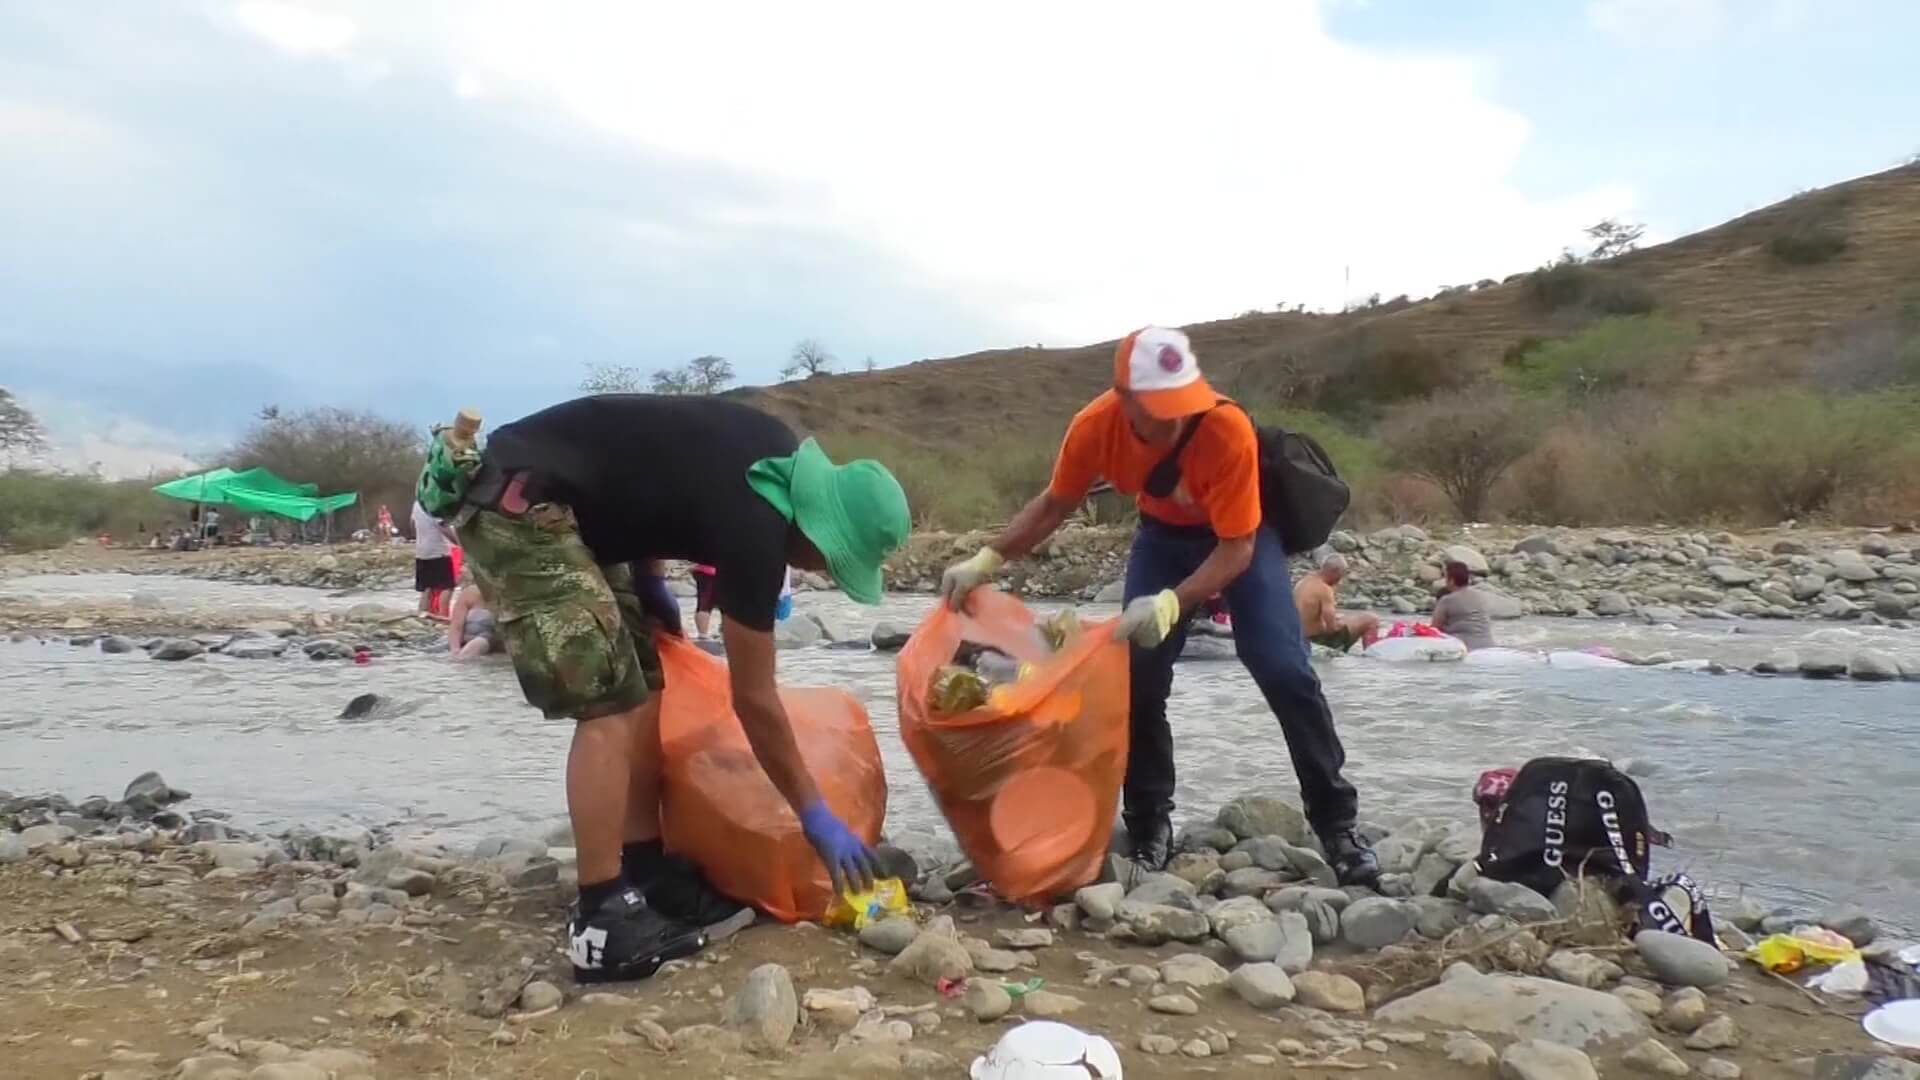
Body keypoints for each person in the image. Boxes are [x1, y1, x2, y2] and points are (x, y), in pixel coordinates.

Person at [417, 394, 911, 984]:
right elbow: (754, 699)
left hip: (574, 513)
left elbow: (649, 471)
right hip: (520, 505)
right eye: (832, 560)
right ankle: (601, 918)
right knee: (605, 697)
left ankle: (645, 868)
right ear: (821, 528)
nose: (821, 570)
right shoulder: (760, 521)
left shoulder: (778, 458)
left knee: (646, 680)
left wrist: (649, 578)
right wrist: (815, 815)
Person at [939, 326, 1379, 885]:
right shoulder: (1094, 428)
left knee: (1284, 668)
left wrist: (1175, 602)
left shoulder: (1225, 428)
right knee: (1138, 679)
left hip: (1238, 539)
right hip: (1162, 538)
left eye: (1182, 406)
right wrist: (987, 559)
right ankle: (1148, 824)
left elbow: (1238, 546)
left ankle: (1337, 824)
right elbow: (1055, 504)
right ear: (1125, 400)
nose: (1174, 420)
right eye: (1160, 409)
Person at [1293, 553, 1380, 654]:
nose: (1339, 580)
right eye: (1341, 575)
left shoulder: (1303, 582)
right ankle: (1372, 656)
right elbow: (1332, 629)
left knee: (1345, 619)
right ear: (1335, 571)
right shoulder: (1324, 589)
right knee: (1371, 619)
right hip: (1320, 640)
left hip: (1301, 637)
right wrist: (1340, 623)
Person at [1432, 559, 1496, 650]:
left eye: (1445, 577)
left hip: (1463, 647)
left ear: (1452, 580)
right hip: (1488, 645)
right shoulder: (1480, 595)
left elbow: (1434, 629)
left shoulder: (1447, 600)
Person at [412, 500, 456, 616]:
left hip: (421, 551)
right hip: (438, 550)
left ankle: (422, 614)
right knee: (447, 586)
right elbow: (443, 528)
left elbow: (412, 523)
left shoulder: (417, 503)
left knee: (427, 587)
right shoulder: (434, 504)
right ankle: (443, 615)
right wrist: (458, 542)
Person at [446, 568, 499, 661]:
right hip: (464, 641)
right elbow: (456, 626)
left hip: (487, 641)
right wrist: (455, 649)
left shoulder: (509, 595)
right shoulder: (469, 593)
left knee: (478, 644)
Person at [690, 563, 719, 638]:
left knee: (704, 602)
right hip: (710, 571)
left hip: (703, 570)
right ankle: (703, 634)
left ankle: (703, 634)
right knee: (706, 604)